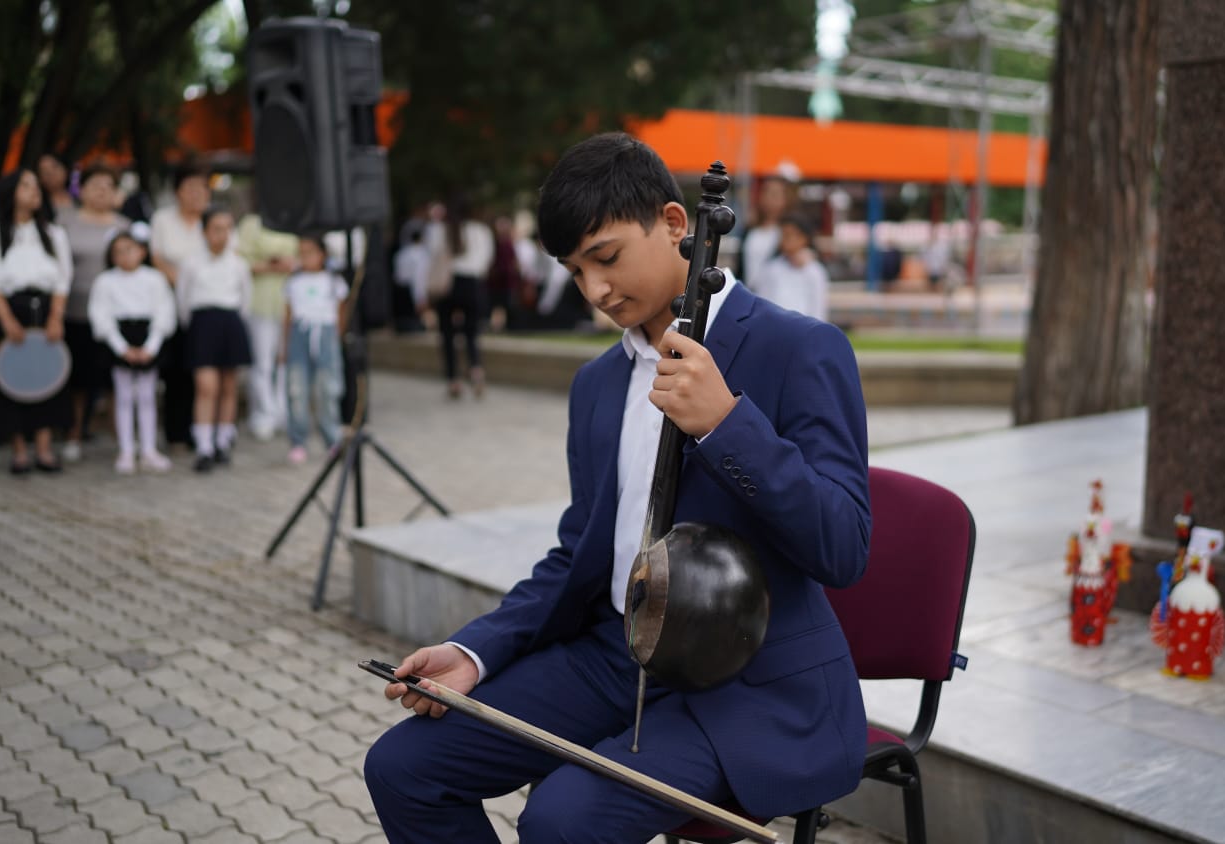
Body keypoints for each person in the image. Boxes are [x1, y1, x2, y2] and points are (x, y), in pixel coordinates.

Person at [363, 133, 871, 843]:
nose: (594, 290)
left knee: (562, 818)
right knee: (402, 768)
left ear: (673, 223)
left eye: (605, 257)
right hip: (611, 655)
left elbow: (844, 547)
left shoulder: (801, 349)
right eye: (575, 271)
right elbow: (577, 556)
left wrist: (728, 424)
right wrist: (477, 650)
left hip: (743, 683)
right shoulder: (598, 385)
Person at [0, 168, 74, 474]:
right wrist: (6, 321)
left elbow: (62, 280)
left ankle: (44, 447)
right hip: (9, 310)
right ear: (10, 192)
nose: (34, 191)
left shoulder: (54, 234)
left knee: (48, 376)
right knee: (10, 377)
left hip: (45, 310)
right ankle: (18, 449)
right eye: (26, 186)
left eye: (35, 186)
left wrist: (56, 317)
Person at [87, 230, 176, 474]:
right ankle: (126, 449)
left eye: (130, 249)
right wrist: (121, 347)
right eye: (119, 251)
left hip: (147, 336)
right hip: (120, 337)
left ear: (142, 251)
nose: (125, 256)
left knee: (147, 397)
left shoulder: (154, 279)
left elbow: (164, 312)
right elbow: (101, 315)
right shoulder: (106, 281)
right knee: (123, 397)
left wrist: (151, 346)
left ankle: (148, 449)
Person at [59, 164, 129, 461]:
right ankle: (74, 433)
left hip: (118, 312)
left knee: (117, 378)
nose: (102, 191)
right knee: (79, 379)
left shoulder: (126, 226)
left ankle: (121, 437)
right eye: (96, 185)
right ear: (82, 190)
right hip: (76, 310)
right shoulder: (66, 223)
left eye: (108, 186)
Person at [175, 208, 251, 472]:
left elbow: (245, 300)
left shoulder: (238, 264)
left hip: (230, 321)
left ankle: (223, 440)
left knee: (229, 385)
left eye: (227, 228)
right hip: (203, 323)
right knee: (207, 386)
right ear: (205, 231)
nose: (222, 235)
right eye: (216, 228)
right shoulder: (192, 262)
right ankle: (204, 444)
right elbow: (182, 301)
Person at [149, 164, 212, 450]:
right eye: (190, 188)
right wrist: (183, 283)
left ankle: (205, 432)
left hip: (205, 304)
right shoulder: (163, 220)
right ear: (177, 192)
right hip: (172, 302)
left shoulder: (212, 221)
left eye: (202, 188)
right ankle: (176, 433)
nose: (196, 194)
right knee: (176, 370)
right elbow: (157, 258)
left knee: (202, 369)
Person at [280, 234, 349, 465]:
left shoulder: (334, 282)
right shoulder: (293, 282)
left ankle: (332, 439)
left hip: (325, 333)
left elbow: (341, 314)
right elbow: (288, 316)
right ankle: (298, 441)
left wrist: (335, 339)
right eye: (302, 252)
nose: (306, 257)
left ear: (322, 254)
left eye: (311, 252)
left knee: (327, 389)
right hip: (300, 333)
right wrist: (285, 345)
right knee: (297, 389)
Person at [423, 197, 493, 399]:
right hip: (471, 284)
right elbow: (486, 260)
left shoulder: (438, 230)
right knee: (472, 332)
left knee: (447, 334)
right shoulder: (480, 231)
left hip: (448, 283)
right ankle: (476, 370)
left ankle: (453, 379)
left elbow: (430, 258)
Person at [235, 212, 297, 440]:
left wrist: (291, 264)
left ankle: (282, 410)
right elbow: (240, 261)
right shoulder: (252, 223)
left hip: (289, 302)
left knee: (284, 359)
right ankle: (263, 413)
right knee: (261, 362)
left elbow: (306, 256)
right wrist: (269, 265)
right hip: (259, 301)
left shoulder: (293, 219)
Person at [750, 214, 830, 322]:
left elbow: (818, 308)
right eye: (782, 235)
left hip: (804, 329)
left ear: (803, 238)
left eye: (789, 235)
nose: (784, 240)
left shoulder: (814, 271)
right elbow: (763, 301)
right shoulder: (771, 268)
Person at [740, 173, 793, 285]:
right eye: (766, 192)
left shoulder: (791, 231)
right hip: (750, 293)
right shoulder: (750, 229)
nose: (769, 198)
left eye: (775, 194)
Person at [37, 154, 76, 222]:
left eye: (55, 167)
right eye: (44, 171)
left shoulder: (82, 199)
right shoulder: (39, 206)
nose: (51, 173)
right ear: (40, 179)